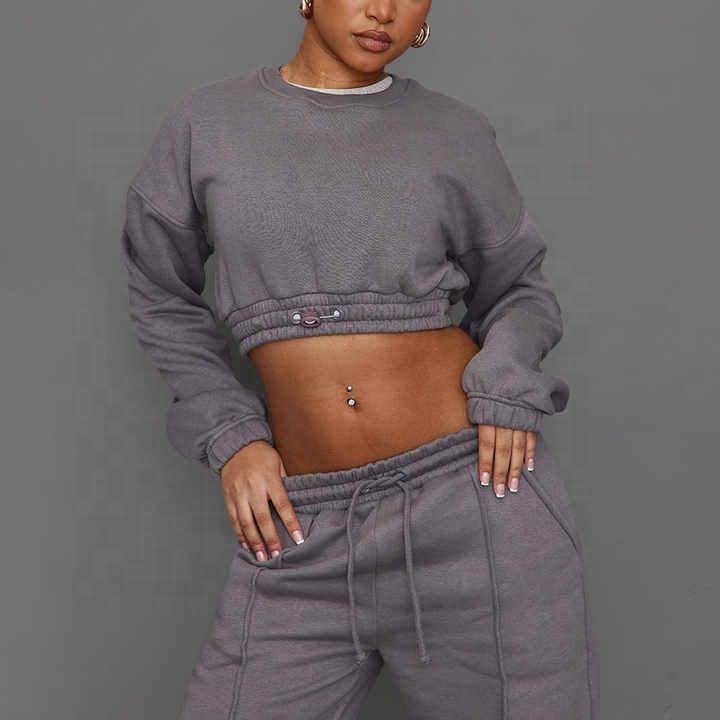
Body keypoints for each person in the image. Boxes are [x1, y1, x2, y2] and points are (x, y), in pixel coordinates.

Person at [120, 1, 599, 718]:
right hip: (300, 527)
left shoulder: (455, 132)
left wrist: (507, 388)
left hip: (473, 506)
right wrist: (232, 436)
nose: (384, 10)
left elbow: (521, 291)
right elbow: (160, 294)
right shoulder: (207, 125)